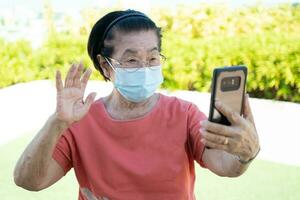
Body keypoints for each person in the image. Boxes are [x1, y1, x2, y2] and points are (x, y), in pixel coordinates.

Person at [13, 10, 260, 200]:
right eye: (131, 59)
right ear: (106, 66)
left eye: (152, 58)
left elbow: (225, 166)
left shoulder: (183, 114)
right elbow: (28, 181)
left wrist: (246, 153)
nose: (144, 68)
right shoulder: (80, 120)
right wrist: (57, 123)